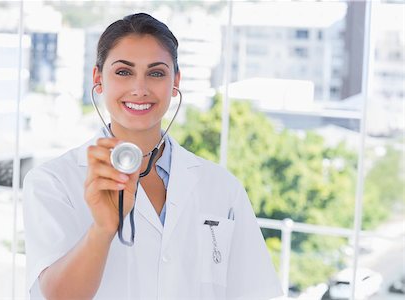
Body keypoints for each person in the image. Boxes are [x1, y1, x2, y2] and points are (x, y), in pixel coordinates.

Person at [23, 12, 282, 300]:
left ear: (175, 82)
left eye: (156, 73)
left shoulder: (222, 187)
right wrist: (102, 229)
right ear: (98, 79)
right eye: (124, 72)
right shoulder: (53, 182)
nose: (140, 88)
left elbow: (257, 292)